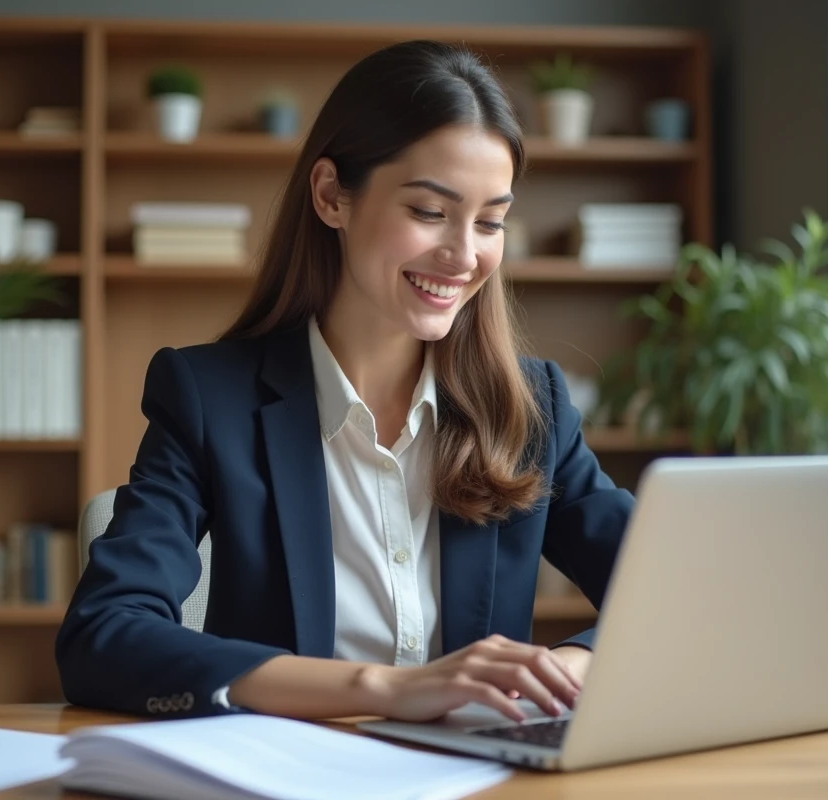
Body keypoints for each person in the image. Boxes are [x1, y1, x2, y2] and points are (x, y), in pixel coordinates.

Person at [55, 39, 633, 725]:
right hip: (288, 768)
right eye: (429, 211)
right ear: (332, 195)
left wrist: (562, 670)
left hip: (483, 772)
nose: (464, 255)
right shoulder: (210, 399)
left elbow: (685, 593)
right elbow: (104, 634)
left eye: (490, 222)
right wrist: (382, 688)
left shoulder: (532, 409)